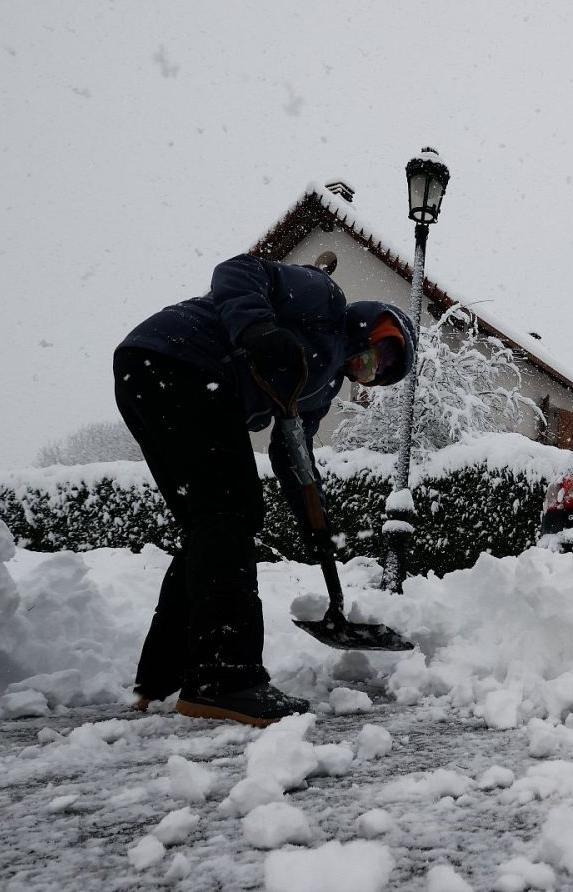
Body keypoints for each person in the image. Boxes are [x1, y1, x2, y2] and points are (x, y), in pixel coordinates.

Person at [114, 251, 416, 727]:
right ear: (369, 324)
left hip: (152, 373)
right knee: (230, 513)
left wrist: (315, 526)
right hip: (183, 359)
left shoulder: (318, 390)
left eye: (377, 372)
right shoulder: (325, 297)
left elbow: (293, 454)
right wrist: (257, 329)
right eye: (377, 353)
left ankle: (161, 678)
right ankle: (225, 679)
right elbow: (237, 271)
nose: (368, 368)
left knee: (208, 524)